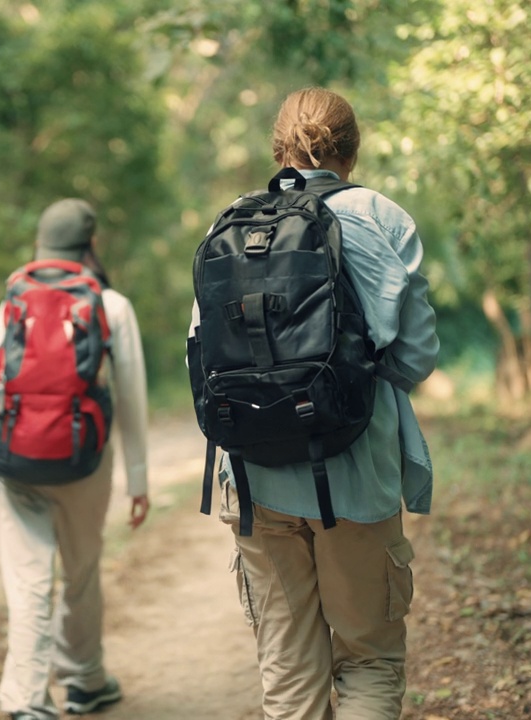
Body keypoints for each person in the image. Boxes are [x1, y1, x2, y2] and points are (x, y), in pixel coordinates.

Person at [190, 87, 439, 719]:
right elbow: (414, 357)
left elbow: (202, 352)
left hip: (255, 480)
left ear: (276, 146)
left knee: (289, 672)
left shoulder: (232, 223)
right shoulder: (382, 217)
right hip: (356, 473)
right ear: (353, 149)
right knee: (368, 659)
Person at [0, 199, 150, 720]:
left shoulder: (14, 297)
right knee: (79, 572)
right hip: (84, 460)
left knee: (27, 578)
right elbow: (131, 396)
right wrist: (138, 480)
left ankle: (26, 700)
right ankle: (83, 681)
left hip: (13, 458)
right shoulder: (111, 303)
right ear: (91, 245)